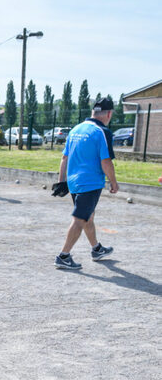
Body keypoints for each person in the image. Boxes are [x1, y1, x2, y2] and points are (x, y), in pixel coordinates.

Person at [54, 98, 118, 270]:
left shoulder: (76, 129)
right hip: (90, 183)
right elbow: (106, 161)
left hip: (74, 182)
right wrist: (113, 182)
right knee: (80, 219)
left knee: (88, 216)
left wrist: (62, 181)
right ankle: (63, 256)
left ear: (93, 112)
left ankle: (96, 249)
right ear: (109, 114)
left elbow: (64, 158)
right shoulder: (102, 132)